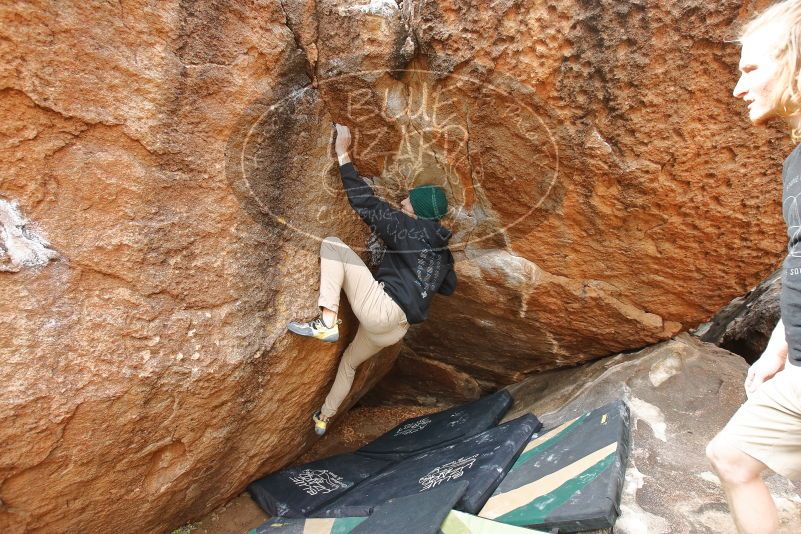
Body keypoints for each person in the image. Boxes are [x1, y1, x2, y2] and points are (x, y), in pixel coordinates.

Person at [287, 123, 457, 435]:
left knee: (332, 244)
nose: (403, 202)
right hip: (394, 330)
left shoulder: (409, 229)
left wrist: (343, 156)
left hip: (381, 310)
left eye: (408, 200)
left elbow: (365, 203)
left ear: (417, 211)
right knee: (349, 363)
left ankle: (326, 321)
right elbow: (449, 287)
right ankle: (324, 418)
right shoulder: (442, 251)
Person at [706, 2, 801, 533]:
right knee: (732, 459)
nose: (739, 90)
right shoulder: (796, 162)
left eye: (750, 69)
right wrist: (777, 350)